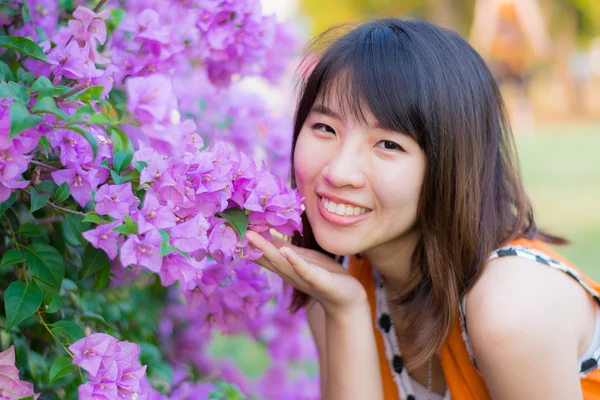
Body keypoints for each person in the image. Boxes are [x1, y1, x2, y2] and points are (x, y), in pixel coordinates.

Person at [245, 18, 600, 400]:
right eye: (325, 129)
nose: (339, 171)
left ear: (451, 166)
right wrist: (345, 310)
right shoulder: (335, 280)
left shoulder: (510, 310)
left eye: (389, 145)